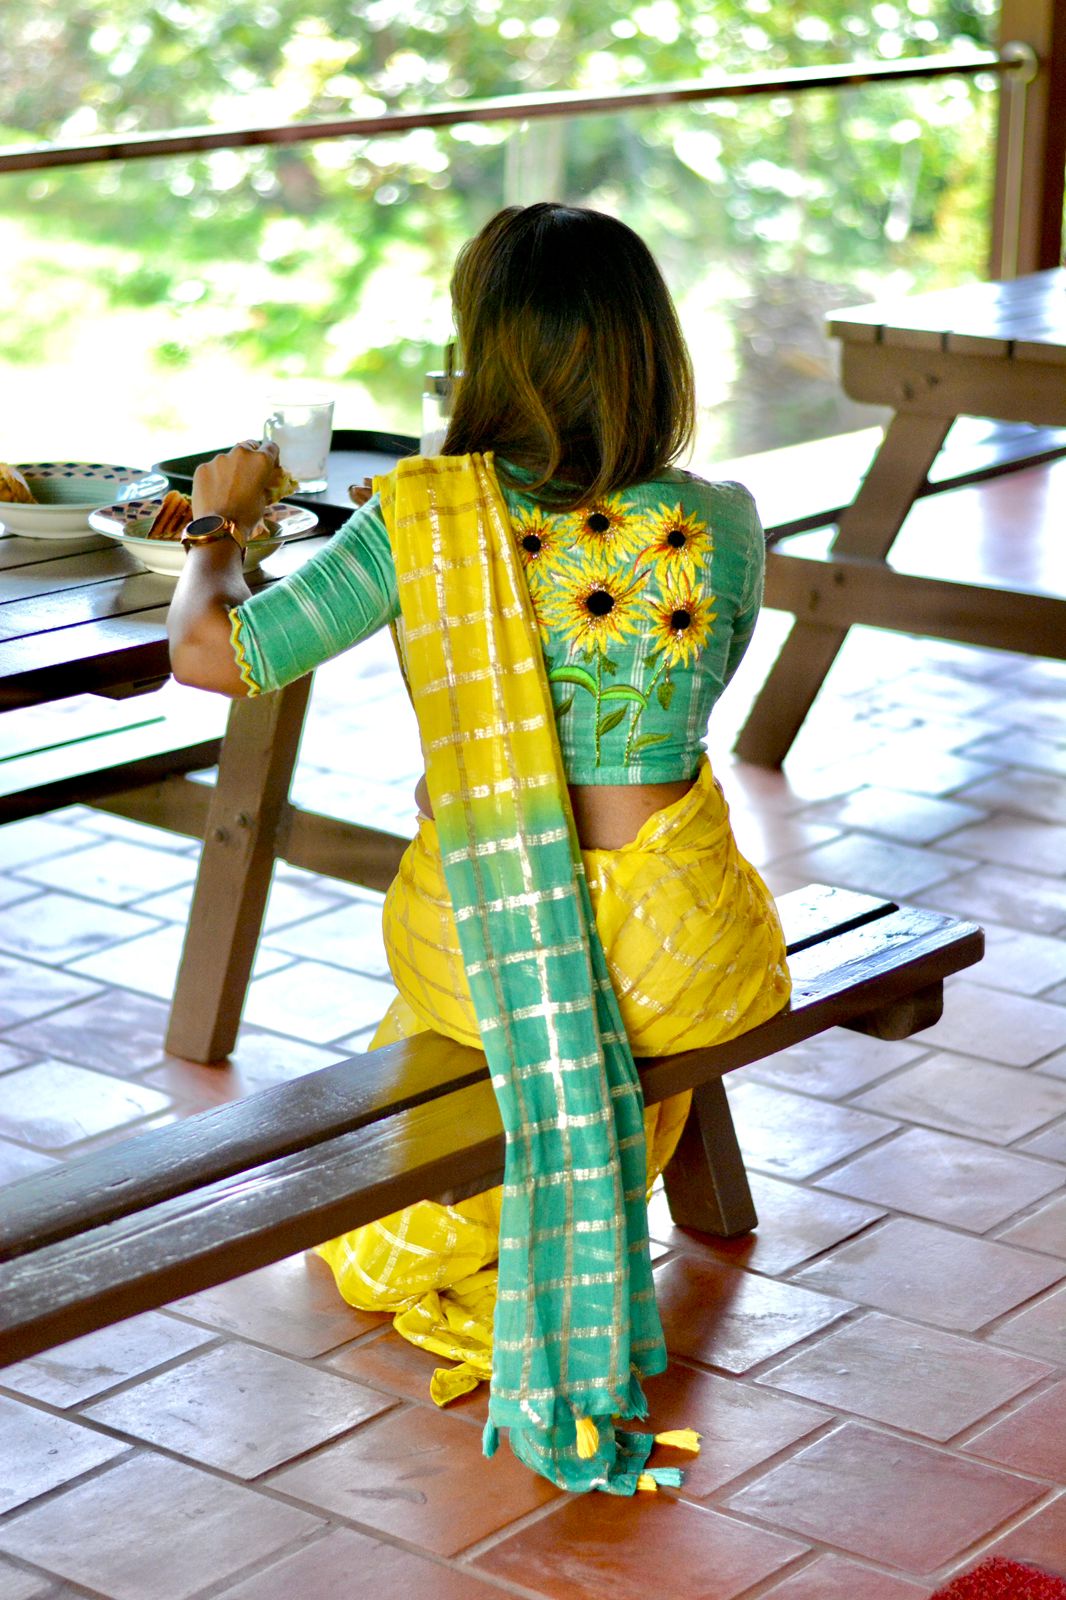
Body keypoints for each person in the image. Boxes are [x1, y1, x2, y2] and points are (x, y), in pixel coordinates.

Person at [167, 201, 791, 1496]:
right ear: (649, 354)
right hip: (694, 954)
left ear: (486, 357)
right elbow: (700, 685)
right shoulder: (722, 520)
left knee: (475, 916)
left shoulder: (419, 523)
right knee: (600, 983)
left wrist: (217, 527)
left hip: (491, 945)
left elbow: (212, 656)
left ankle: (452, 1231)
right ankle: (593, 1186)